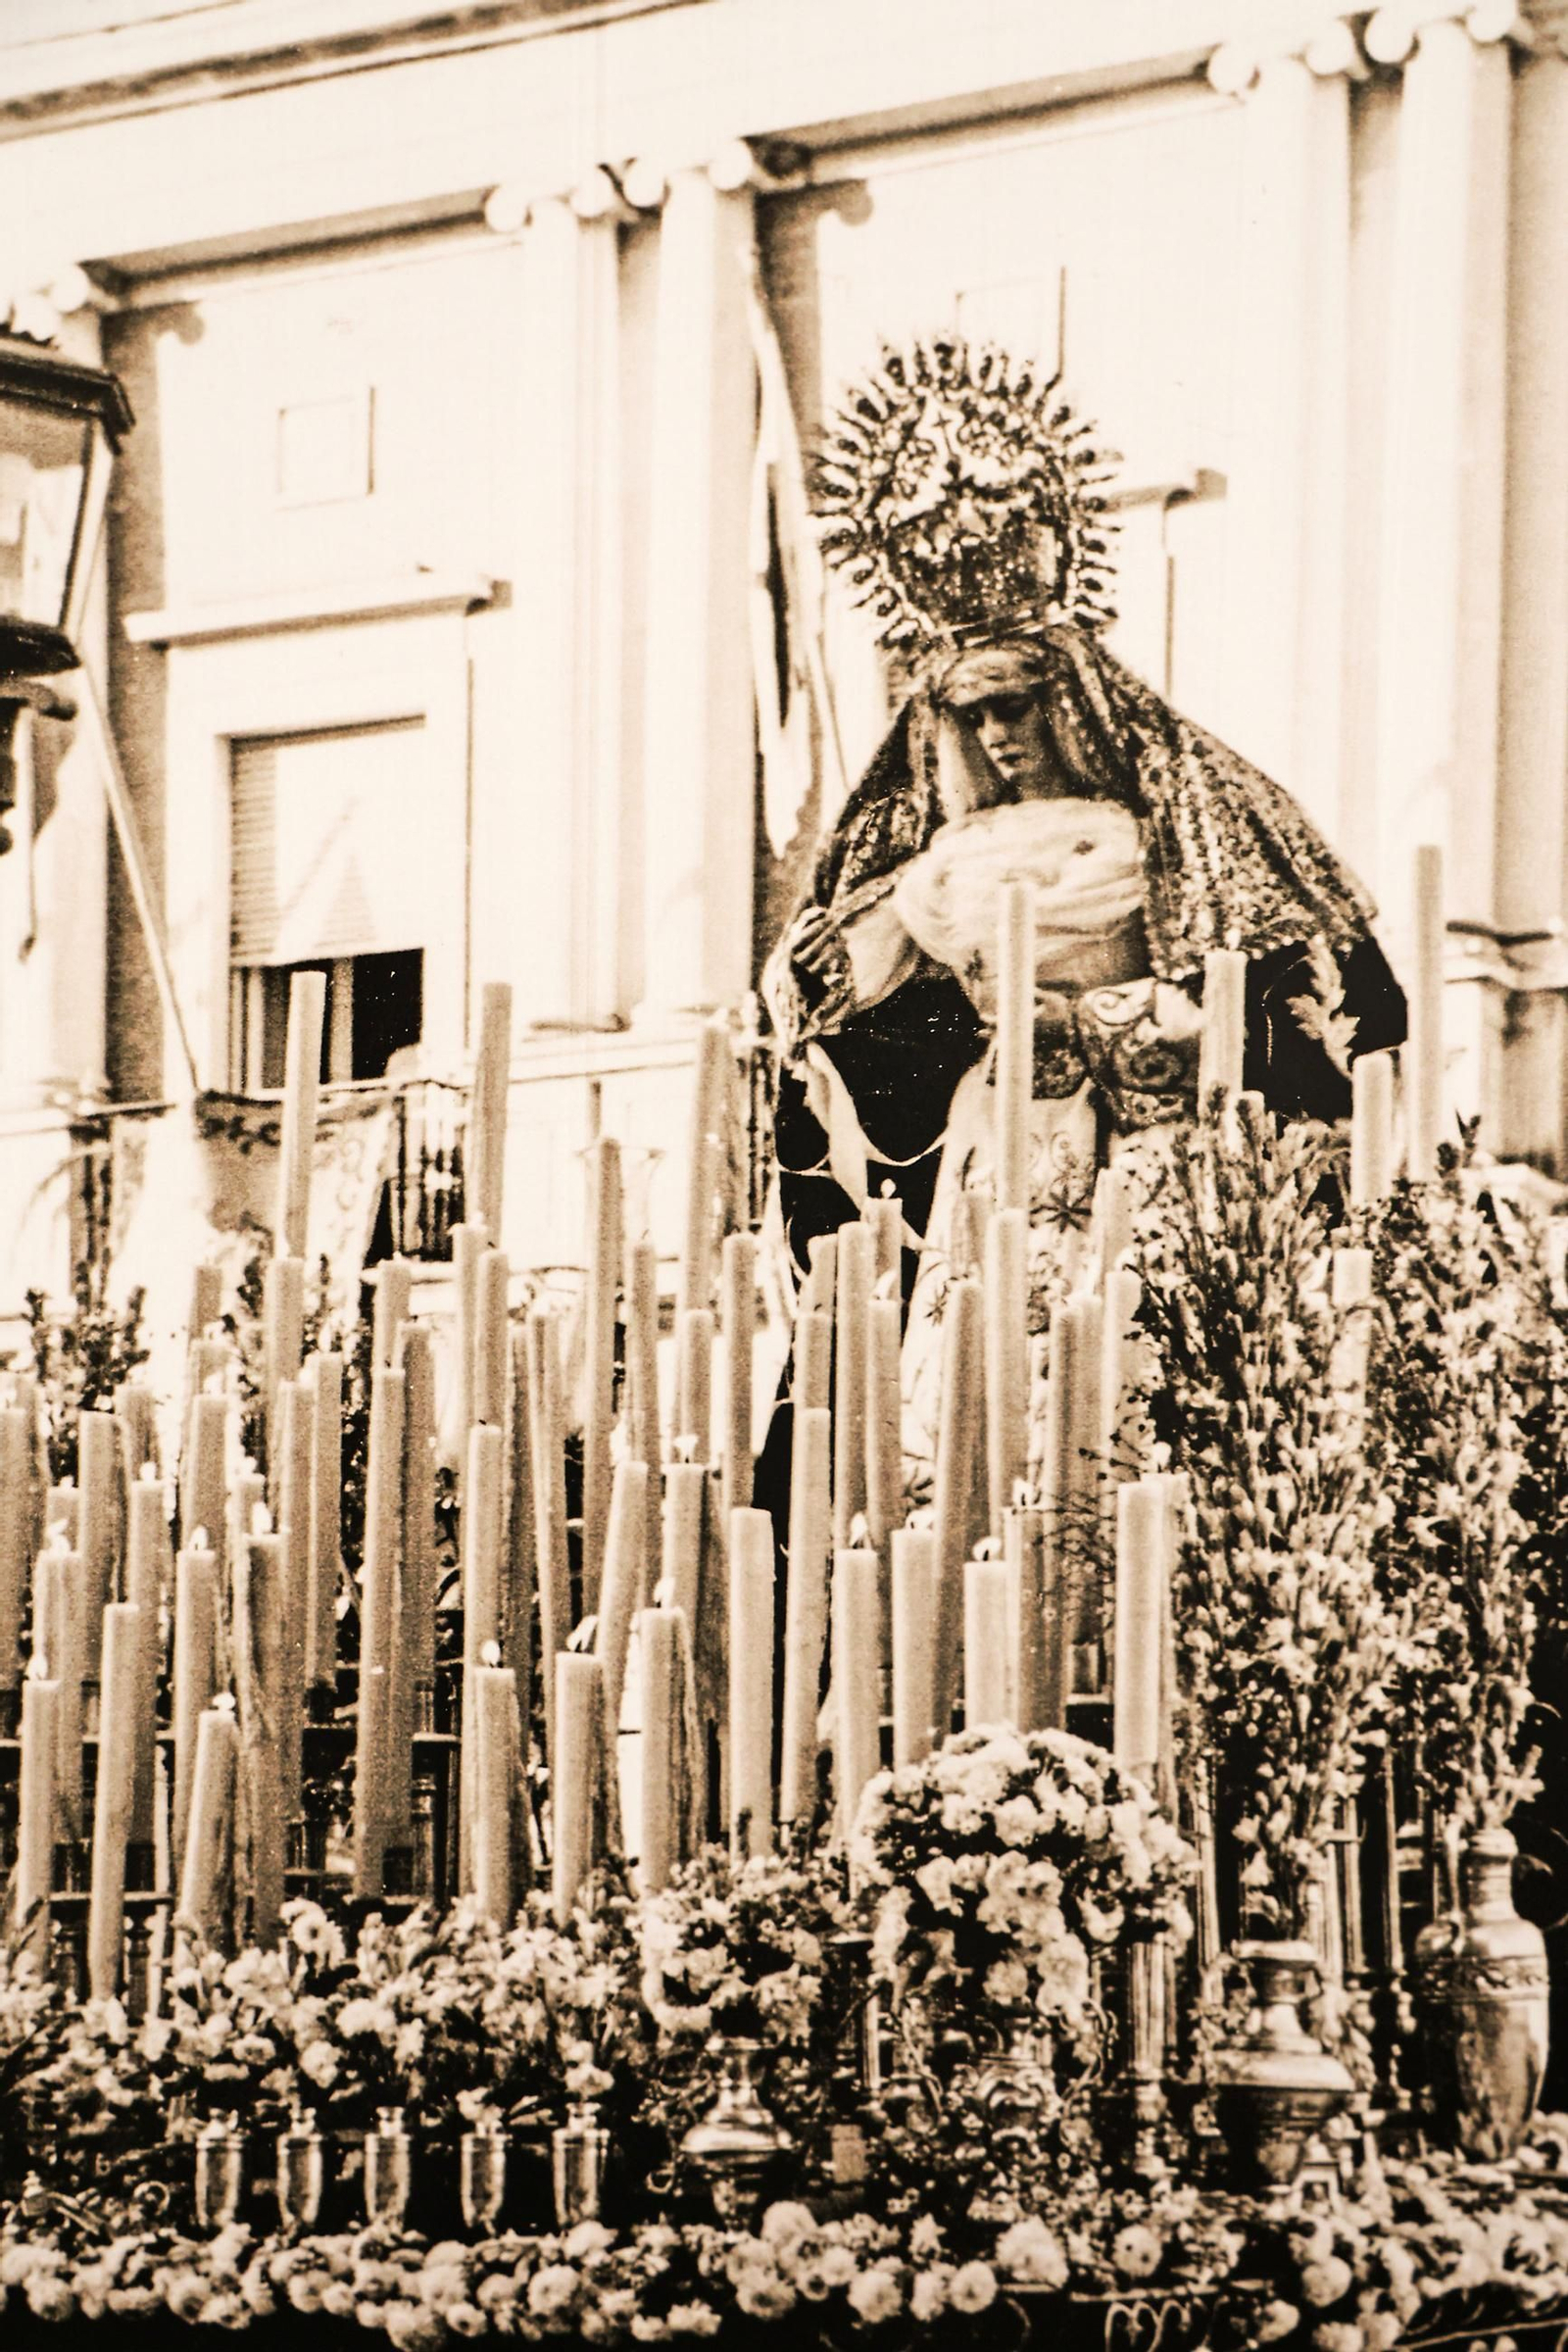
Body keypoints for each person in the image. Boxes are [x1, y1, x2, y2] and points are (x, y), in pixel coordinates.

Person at [760, 338, 1406, 1462]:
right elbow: (848, 994)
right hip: (999, 1140)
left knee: (1137, 1375)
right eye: (973, 715)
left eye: (1016, 705)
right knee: (972, 1382)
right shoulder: (938, 866)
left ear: (1071, 704)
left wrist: (1115, 1023)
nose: (998, 736)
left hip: (1145, 1140)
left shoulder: (1164, 831)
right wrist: (804, 996)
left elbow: (1267, 989)